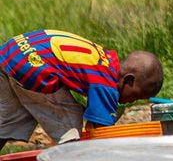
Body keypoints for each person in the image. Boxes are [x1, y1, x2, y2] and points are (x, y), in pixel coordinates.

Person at [0, 30, 163, 145]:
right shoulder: (106, 84)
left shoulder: (103, 61)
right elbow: (101, 132)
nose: (129, 102)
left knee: (8, 120)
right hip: (33, 66)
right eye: (134, 97)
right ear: (128, 80)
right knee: (71, 124)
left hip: (12, 52)